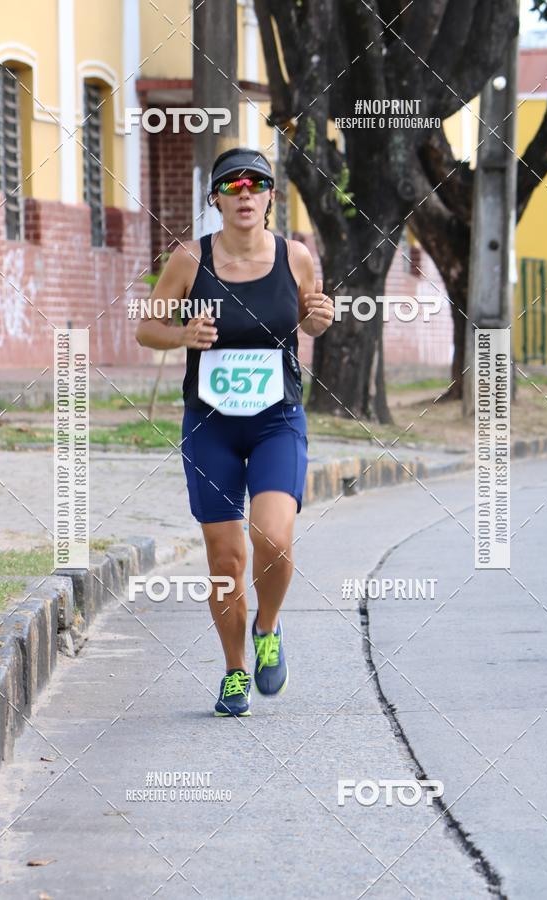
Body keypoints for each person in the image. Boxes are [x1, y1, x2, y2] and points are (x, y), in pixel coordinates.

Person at [136, 147, 334, 717]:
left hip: (276, 420)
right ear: (216, 198)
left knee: (273, 538)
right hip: (210, 426)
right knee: (226, 560)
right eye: (232, 185)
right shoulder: (187, 260)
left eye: (256, 184)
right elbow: (147, 327)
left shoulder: (295, 257)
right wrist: (181, 336)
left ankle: (267, 629)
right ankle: (233, 670)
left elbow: (308, 315)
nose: (244, 194)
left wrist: (318, 319)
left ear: (271, 196)